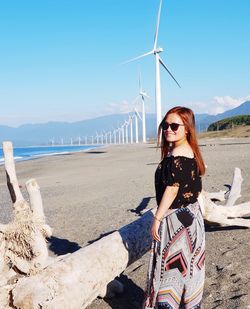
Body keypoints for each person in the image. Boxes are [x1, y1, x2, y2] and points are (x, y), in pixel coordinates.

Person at [143, 106, 206, 309]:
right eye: (165, 125)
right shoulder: (191, 153)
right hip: (193, 221)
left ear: (186, 128)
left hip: (176, 224)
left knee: (170, 272)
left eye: (174, 125)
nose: (168, 129)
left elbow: (172, 189)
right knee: (189, 270)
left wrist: (157, 218)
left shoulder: (177, 156)